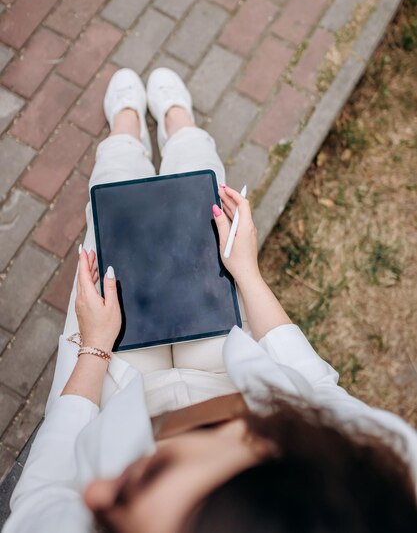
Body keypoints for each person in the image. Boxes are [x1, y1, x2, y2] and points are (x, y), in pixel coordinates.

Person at [3, 68, 417, 533]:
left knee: (111, 220)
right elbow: (317, 390)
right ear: (275, 455)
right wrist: (246, 272)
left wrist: (94, 345)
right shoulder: (384, 475)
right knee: (201, 201)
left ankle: (124, 131)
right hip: (231, 371)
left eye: (114, 513)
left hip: (110, 390)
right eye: (145, 475)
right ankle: (181, 124)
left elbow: (45, 490)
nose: (94, 494)